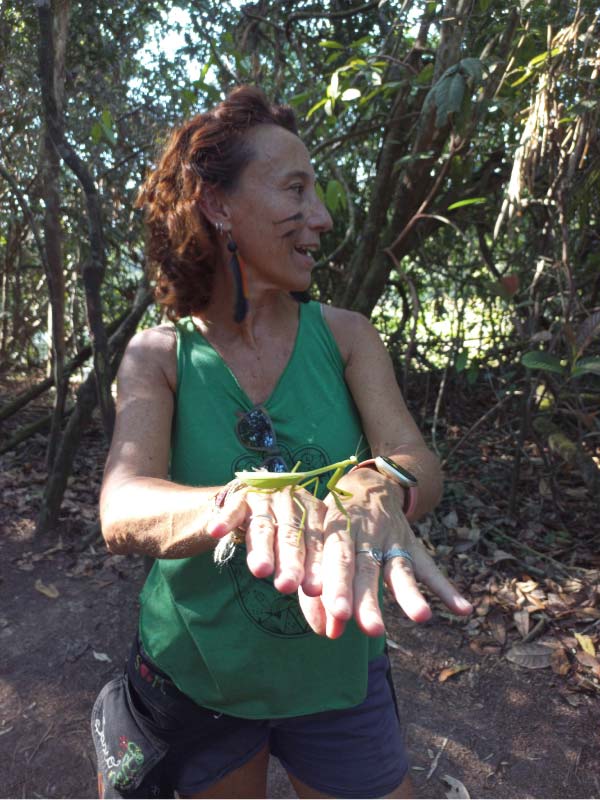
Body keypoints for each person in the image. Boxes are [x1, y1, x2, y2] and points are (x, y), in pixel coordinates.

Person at [92, 86, 472, 800]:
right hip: (199, 679)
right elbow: (121, 507)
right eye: (295, 190)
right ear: (218, 204)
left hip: (337, 676)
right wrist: (248, 503)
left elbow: (417, 461)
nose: (322, 218)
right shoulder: (160, 355)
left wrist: (379, 484)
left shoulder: (348, 335)